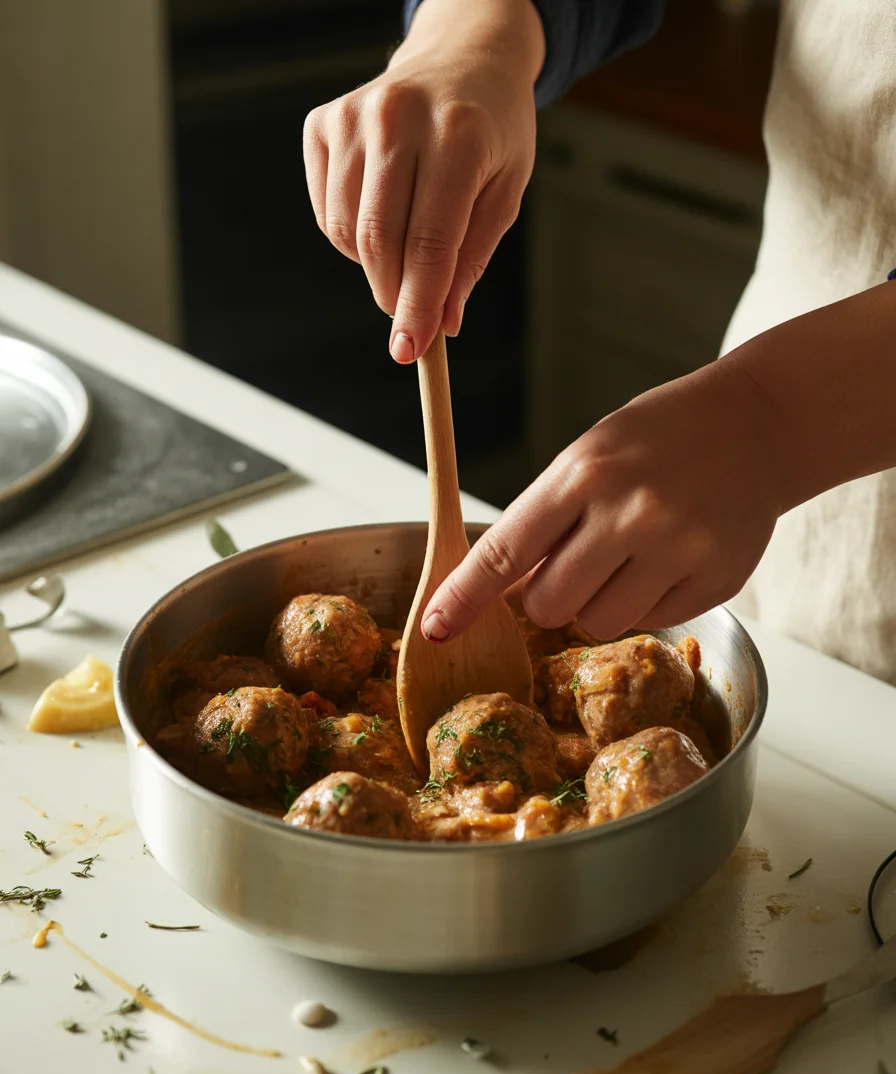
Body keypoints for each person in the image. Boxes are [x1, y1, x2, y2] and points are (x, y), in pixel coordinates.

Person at [303, 0, 896, 684]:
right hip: (772, 520)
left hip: (767, 434)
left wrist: (775, 423)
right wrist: (473, 38)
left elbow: (775, 424)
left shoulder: (763, 426)